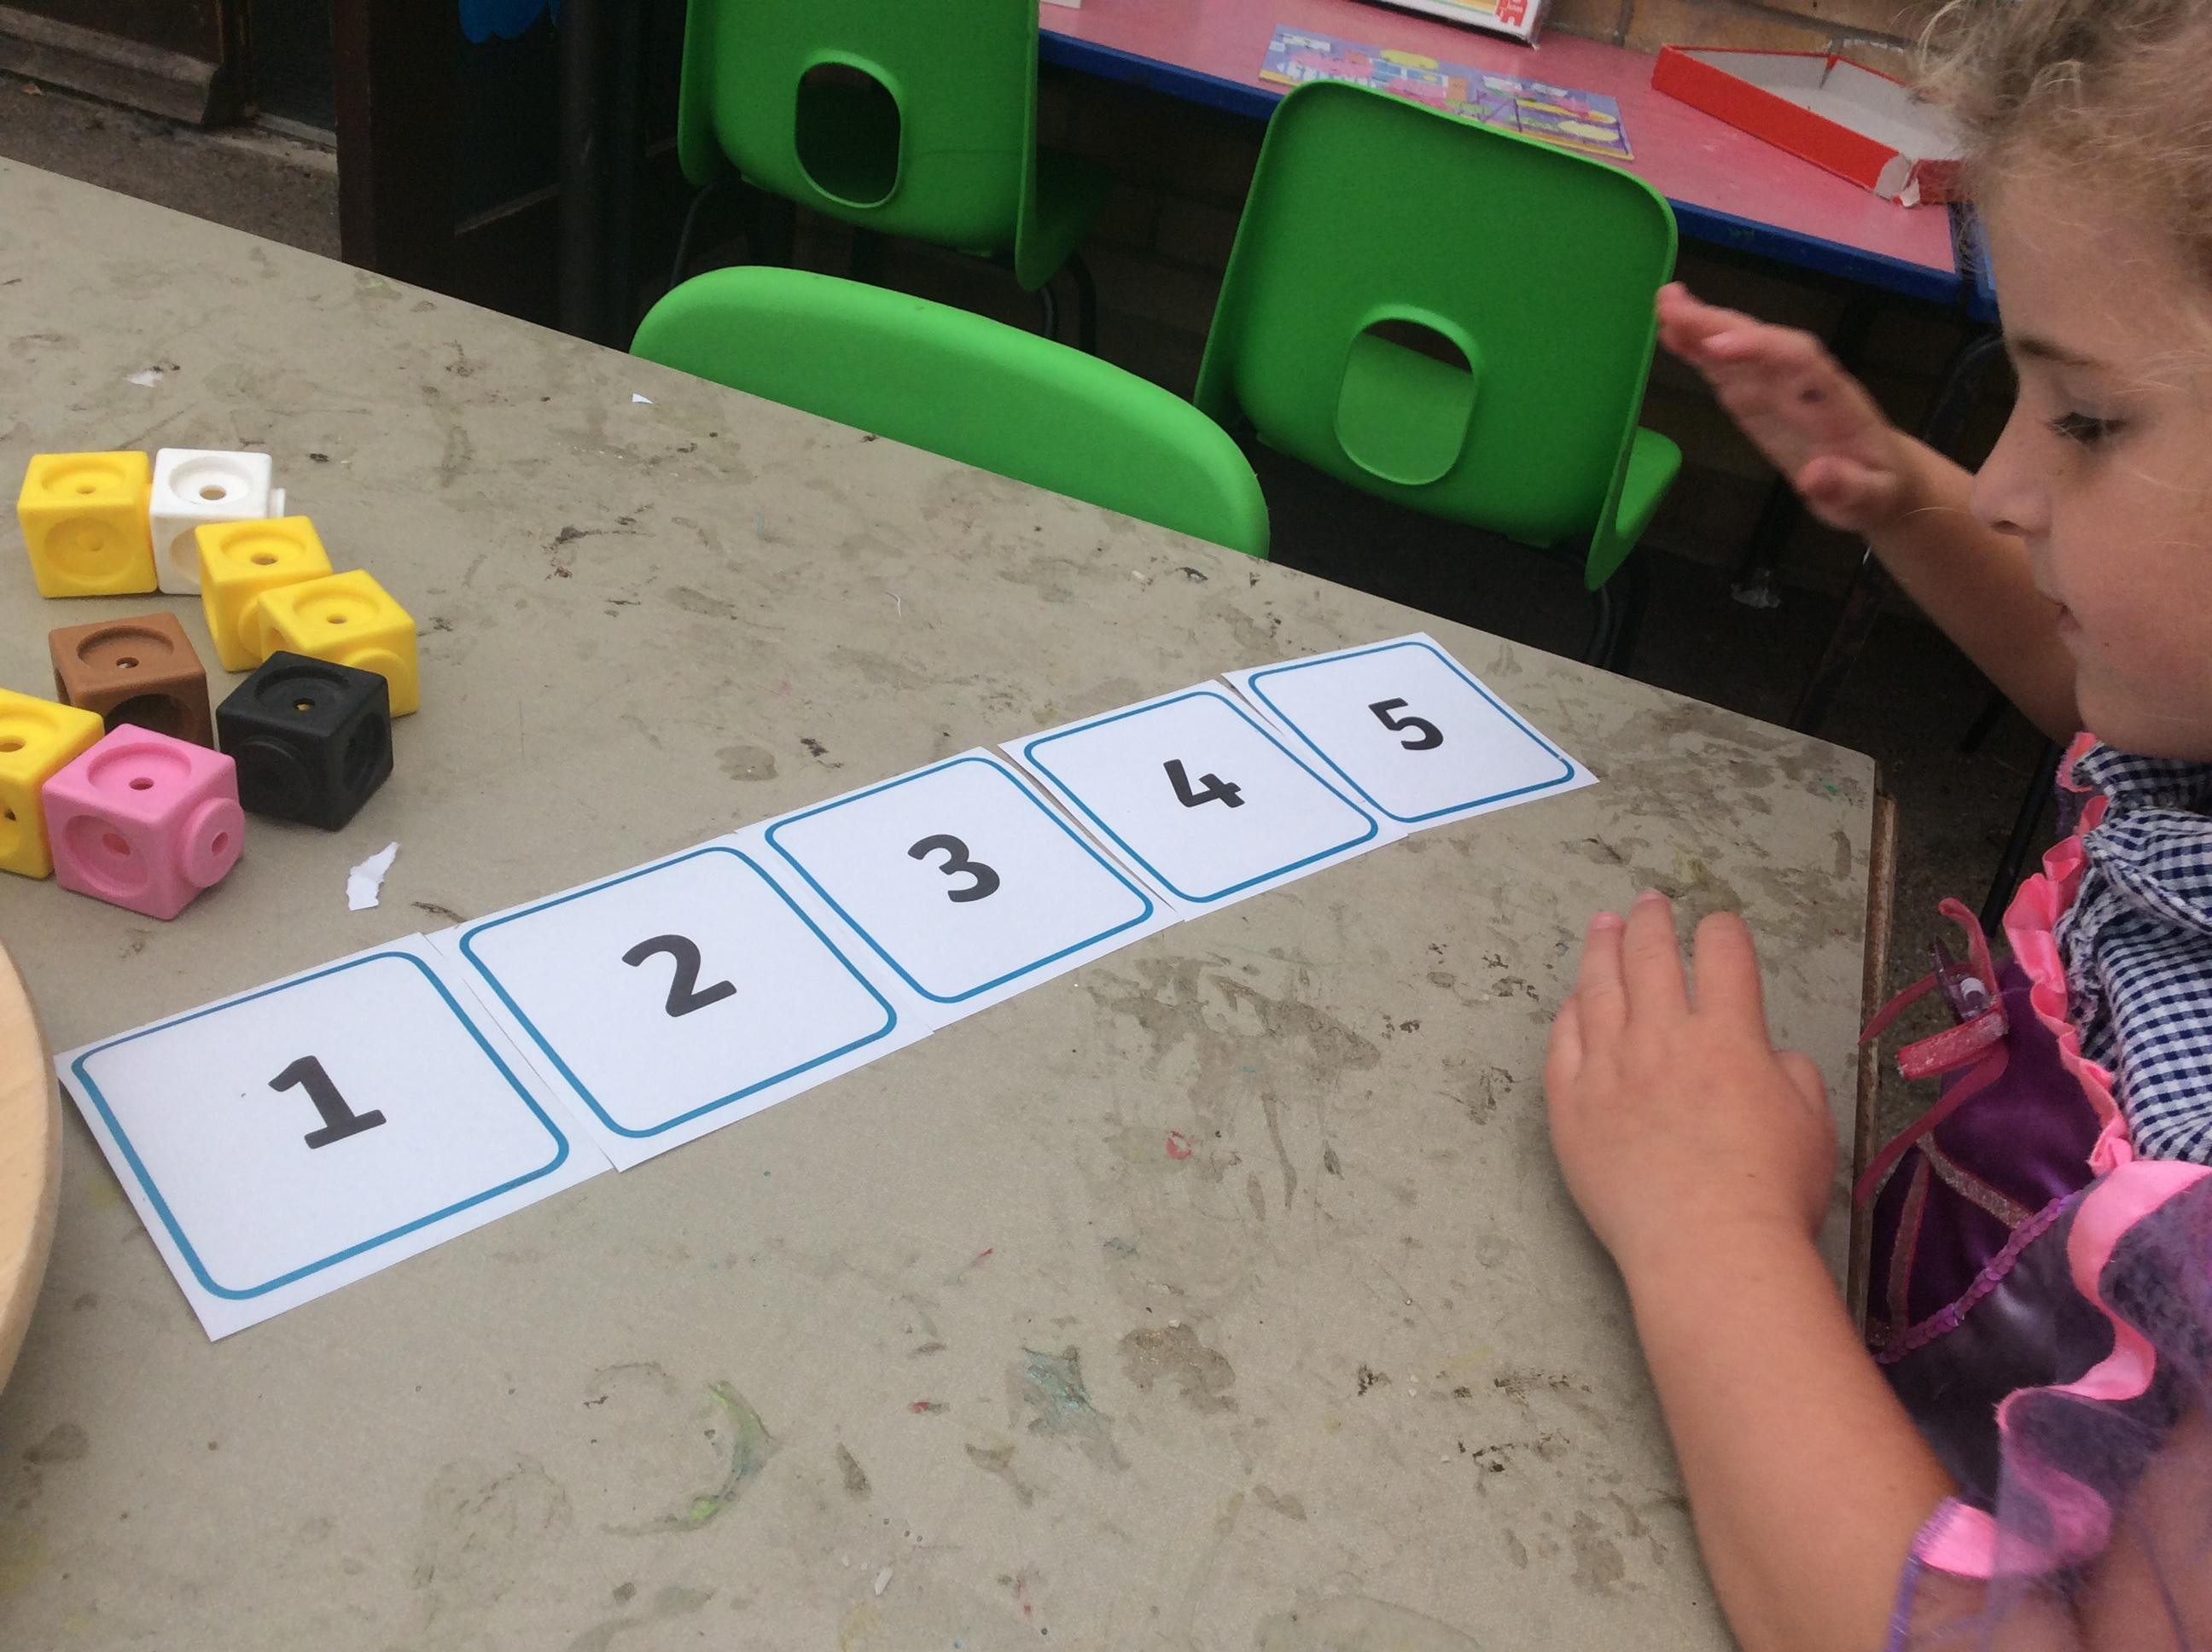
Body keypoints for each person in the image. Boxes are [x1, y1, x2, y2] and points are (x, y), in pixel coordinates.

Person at [1542, 1, 2212, 1646]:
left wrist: (1707, 1229)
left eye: (2088, 421)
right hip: (1880, 1379)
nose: (2007, 485)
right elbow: (2101, 715)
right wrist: (1907, 498)